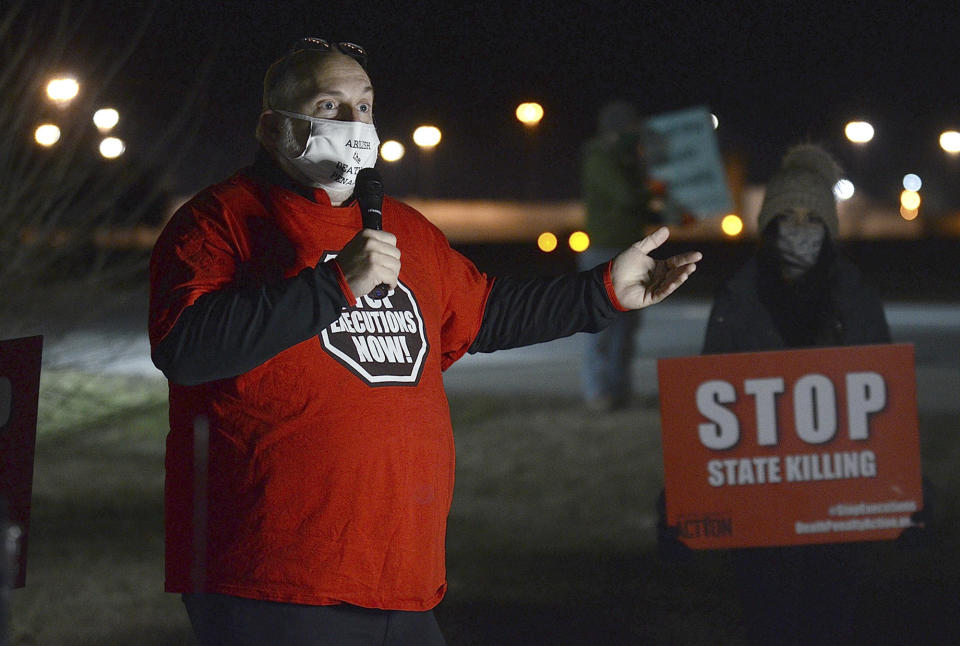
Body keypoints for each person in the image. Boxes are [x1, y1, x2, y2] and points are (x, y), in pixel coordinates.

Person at [148, 38, 701, 646]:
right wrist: (334, 286)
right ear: (273, 127)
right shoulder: (216, 221)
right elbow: (186, 348)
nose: (355, 122)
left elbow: (486, 312)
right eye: (330, 106)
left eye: (364, 106)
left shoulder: (401, 228)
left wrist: (603, 292)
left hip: (401, 577)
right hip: (272, 579)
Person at [701, 144, 890, 645]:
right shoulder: (738, 299)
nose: (800, 229)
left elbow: (886, 406)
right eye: (788, 215)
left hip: (837, 513)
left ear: (830, 227)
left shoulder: (856, 297)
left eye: (813, 217)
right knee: (769, 619)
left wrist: (905, 486)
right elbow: (705, 406)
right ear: (767, 226)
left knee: (830, 618)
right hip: (761, 514)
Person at [579, 100, 664, 411]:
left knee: (626, 327)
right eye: (630, 128)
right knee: (602, 325)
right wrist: (653, 188)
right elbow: (626, 196)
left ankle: (619, 391)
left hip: (631, 249)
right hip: (605, 250)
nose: (636, 133)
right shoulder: (600, 158)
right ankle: (597, 392)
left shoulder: (627, 160)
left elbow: (636, 204)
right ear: (617, 129)